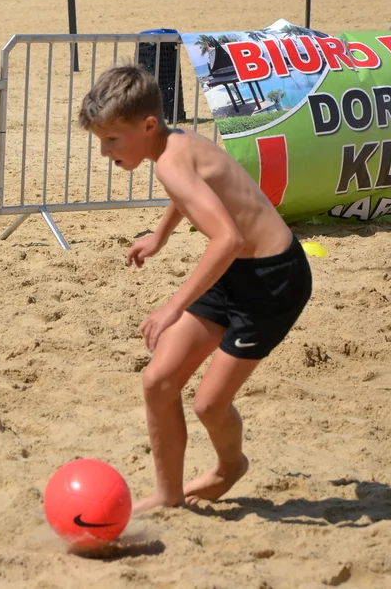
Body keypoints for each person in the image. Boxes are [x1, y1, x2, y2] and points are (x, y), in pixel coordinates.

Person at [78, 65, 312, 512]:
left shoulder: (169, 160)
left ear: (147, 126)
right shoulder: (173, 141)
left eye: (112, 140)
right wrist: (161, 234)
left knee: (208, 405)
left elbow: (228, 239)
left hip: (272, 282)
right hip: (236, 273)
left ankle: (229, 467)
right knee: (158, 382)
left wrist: (171, 308)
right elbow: (190, 191)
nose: (106, 153)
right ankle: (168, 496)